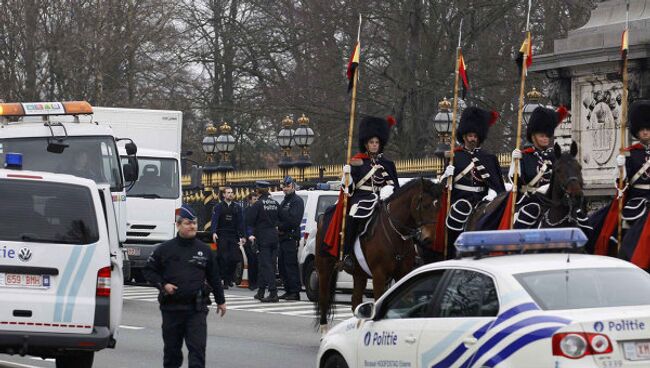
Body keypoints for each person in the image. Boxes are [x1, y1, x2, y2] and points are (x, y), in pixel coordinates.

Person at [143, 204, 226, 368]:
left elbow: (214, 277)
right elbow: (149, 271)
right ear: (178, 225)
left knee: (197, 351)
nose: (193, 226)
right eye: (188, 223)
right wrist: (163, 285)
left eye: (194, 223)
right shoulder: (165, 249)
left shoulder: (204, 250)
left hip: (196, 310)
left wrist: (221, 301)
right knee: (172, 354)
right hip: (172, 309)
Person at [442, 107, 505, 257]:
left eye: (475, 136)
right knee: (459, 210)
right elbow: (444, 185)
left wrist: (492, 194)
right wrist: (447, 175)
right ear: (464, 136)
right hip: (461, 198)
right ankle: (454, 250)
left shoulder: (488, 158)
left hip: (482, 199)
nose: (473, 139)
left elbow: (497, 184)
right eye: (470, 135)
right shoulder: (454, 156)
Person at [341, 115, 400, 272]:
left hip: (383, 199)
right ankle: (347, 254)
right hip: (361, 198)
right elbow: (349, 189)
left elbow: (396, 187)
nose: (374, 145)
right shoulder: (357, 161)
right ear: (366, 144)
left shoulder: (387, 163)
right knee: (353, 216)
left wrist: (389, 191)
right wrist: (346, 176)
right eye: (371, 142)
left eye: (377, 142)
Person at [510, 106, 568, 228]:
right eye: (542, 135)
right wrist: (515, 163)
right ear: (533, 136)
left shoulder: (555, 156)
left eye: (547, 135)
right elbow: (517, 181)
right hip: (532, 199)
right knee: (531, 211)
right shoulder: (525, 156)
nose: (546, 138)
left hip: (553, 200)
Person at [246, 180, 281, 302]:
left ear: (257, 190)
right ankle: (261, 292)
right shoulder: (275, 203)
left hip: (263, 237)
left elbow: (249, 221)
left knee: (266, 266)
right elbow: (281, 219)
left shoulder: (258, 204)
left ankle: (273, 293)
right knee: (266, 265)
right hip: (274, 236)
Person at [211, 186, 245, 289]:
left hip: (233, 235)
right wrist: (214, 232)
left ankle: (229, 277)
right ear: (224, 195)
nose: (230, 194)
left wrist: (242, 236)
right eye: (228, 192)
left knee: (234, 258)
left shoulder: (237, 207)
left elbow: (240, 222)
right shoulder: (218, 207)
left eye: (231, 192)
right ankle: (225, 280)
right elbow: (214, 220)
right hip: (222, 234)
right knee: (223, 258)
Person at [277, 175, 305, 300]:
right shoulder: (284, 201)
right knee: (282, 265)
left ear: (293, 186)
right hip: (282, 237)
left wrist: (280, 227)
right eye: (284, 186)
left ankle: (295, 291)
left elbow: (294, 220)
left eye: (288, 186)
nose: (285, 188)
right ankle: (288, 289)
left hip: (290, 237)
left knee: (290, 265)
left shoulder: (296, 201)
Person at [242, 192, 259, 290]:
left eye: (257, 199)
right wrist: (244, 236)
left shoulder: (260, 209)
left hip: (258, 238)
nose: (256, 201)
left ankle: (258, 281)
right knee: (252, 261)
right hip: (249, 239)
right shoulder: (246, 211)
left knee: (258, 261)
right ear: (249, 200)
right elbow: (244, 225)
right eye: (254, 199)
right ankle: (252, 282)